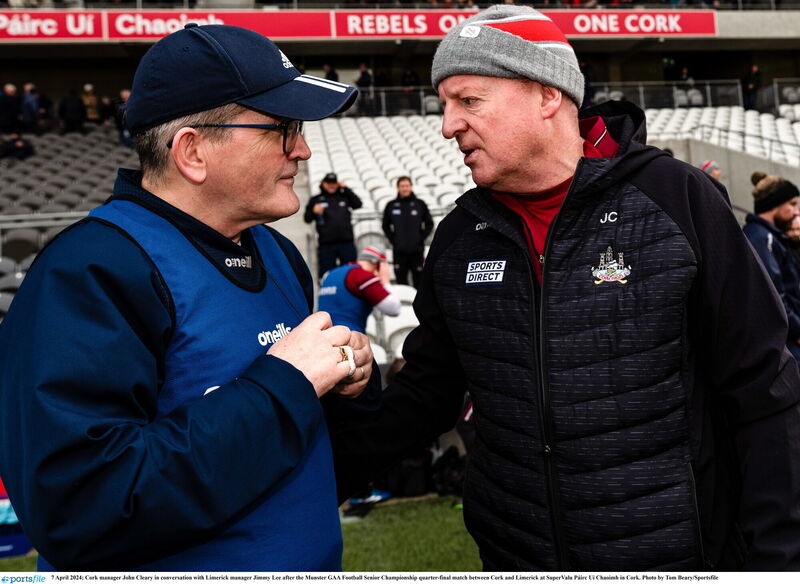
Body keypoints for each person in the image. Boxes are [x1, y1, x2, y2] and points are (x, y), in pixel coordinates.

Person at [332, 5, 800, 571]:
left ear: (547, 95)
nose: (447, 123)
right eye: (445, 103)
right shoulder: (460, 236)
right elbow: (428, 393)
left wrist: (777, 558)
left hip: (679, 556)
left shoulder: (677, 198)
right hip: (517, 557)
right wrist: (315, 453)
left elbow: (763, 390)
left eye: (468, 100)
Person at [0, 23, 379, 572]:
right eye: (282, 128)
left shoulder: (273, 250)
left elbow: (292, 454)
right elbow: (80, 509)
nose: (303, 148)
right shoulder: (90, 271)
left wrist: (348, 389)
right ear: (193, 151)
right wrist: (285, 385)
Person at [742, 171, 800, 364]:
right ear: (775, 204)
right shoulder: (762, 238)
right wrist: (797, 330)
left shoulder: (768, 236)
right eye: (792, 204)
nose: (797, 211)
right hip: (783, 340)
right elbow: (775, 295)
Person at [318, 244, 401, 334]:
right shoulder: (362, 276)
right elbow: (394, 309)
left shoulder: (330, 274)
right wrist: (385, 280)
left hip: (322, 335)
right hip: (349, 338)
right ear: (378, 264)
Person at [304, 172, 363, 279]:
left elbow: (358, 204)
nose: (331, 185)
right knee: (327, 275)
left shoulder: (344, 196)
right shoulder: (316, 199)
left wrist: (346, 189)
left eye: (334, 183)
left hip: (347, 242)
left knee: (351, 273)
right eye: (328, 183)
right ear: (323, 183)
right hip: (326, 244)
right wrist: (313, 212)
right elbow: (307, 219)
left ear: (338, 183)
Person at [382, 176, 434, 288]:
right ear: (398, 188)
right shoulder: (391, 205)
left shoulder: (420, 204)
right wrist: (394, 240)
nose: (405, 188)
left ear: (411, 187)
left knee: (419, 283)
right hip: (399, 252)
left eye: (407, 186)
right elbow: (385, 225)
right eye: (402, 186)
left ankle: (419, 306)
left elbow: (429, 224)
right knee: (401, 283)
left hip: (417, 252)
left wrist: (420, 239)